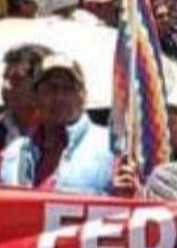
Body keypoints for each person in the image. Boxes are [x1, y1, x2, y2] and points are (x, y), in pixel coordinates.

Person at [0, 54, 113, 195]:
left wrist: (126, 194)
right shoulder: (14, 154)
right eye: (50, 88)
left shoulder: (111, 147)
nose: (59, 97)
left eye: (68, 89)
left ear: (83, 96)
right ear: (36, 96)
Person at [0, 44, 50, 148]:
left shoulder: (61, 131)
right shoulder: (3, 127)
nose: (6, 86)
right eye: (5, 78)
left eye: (17, 80)